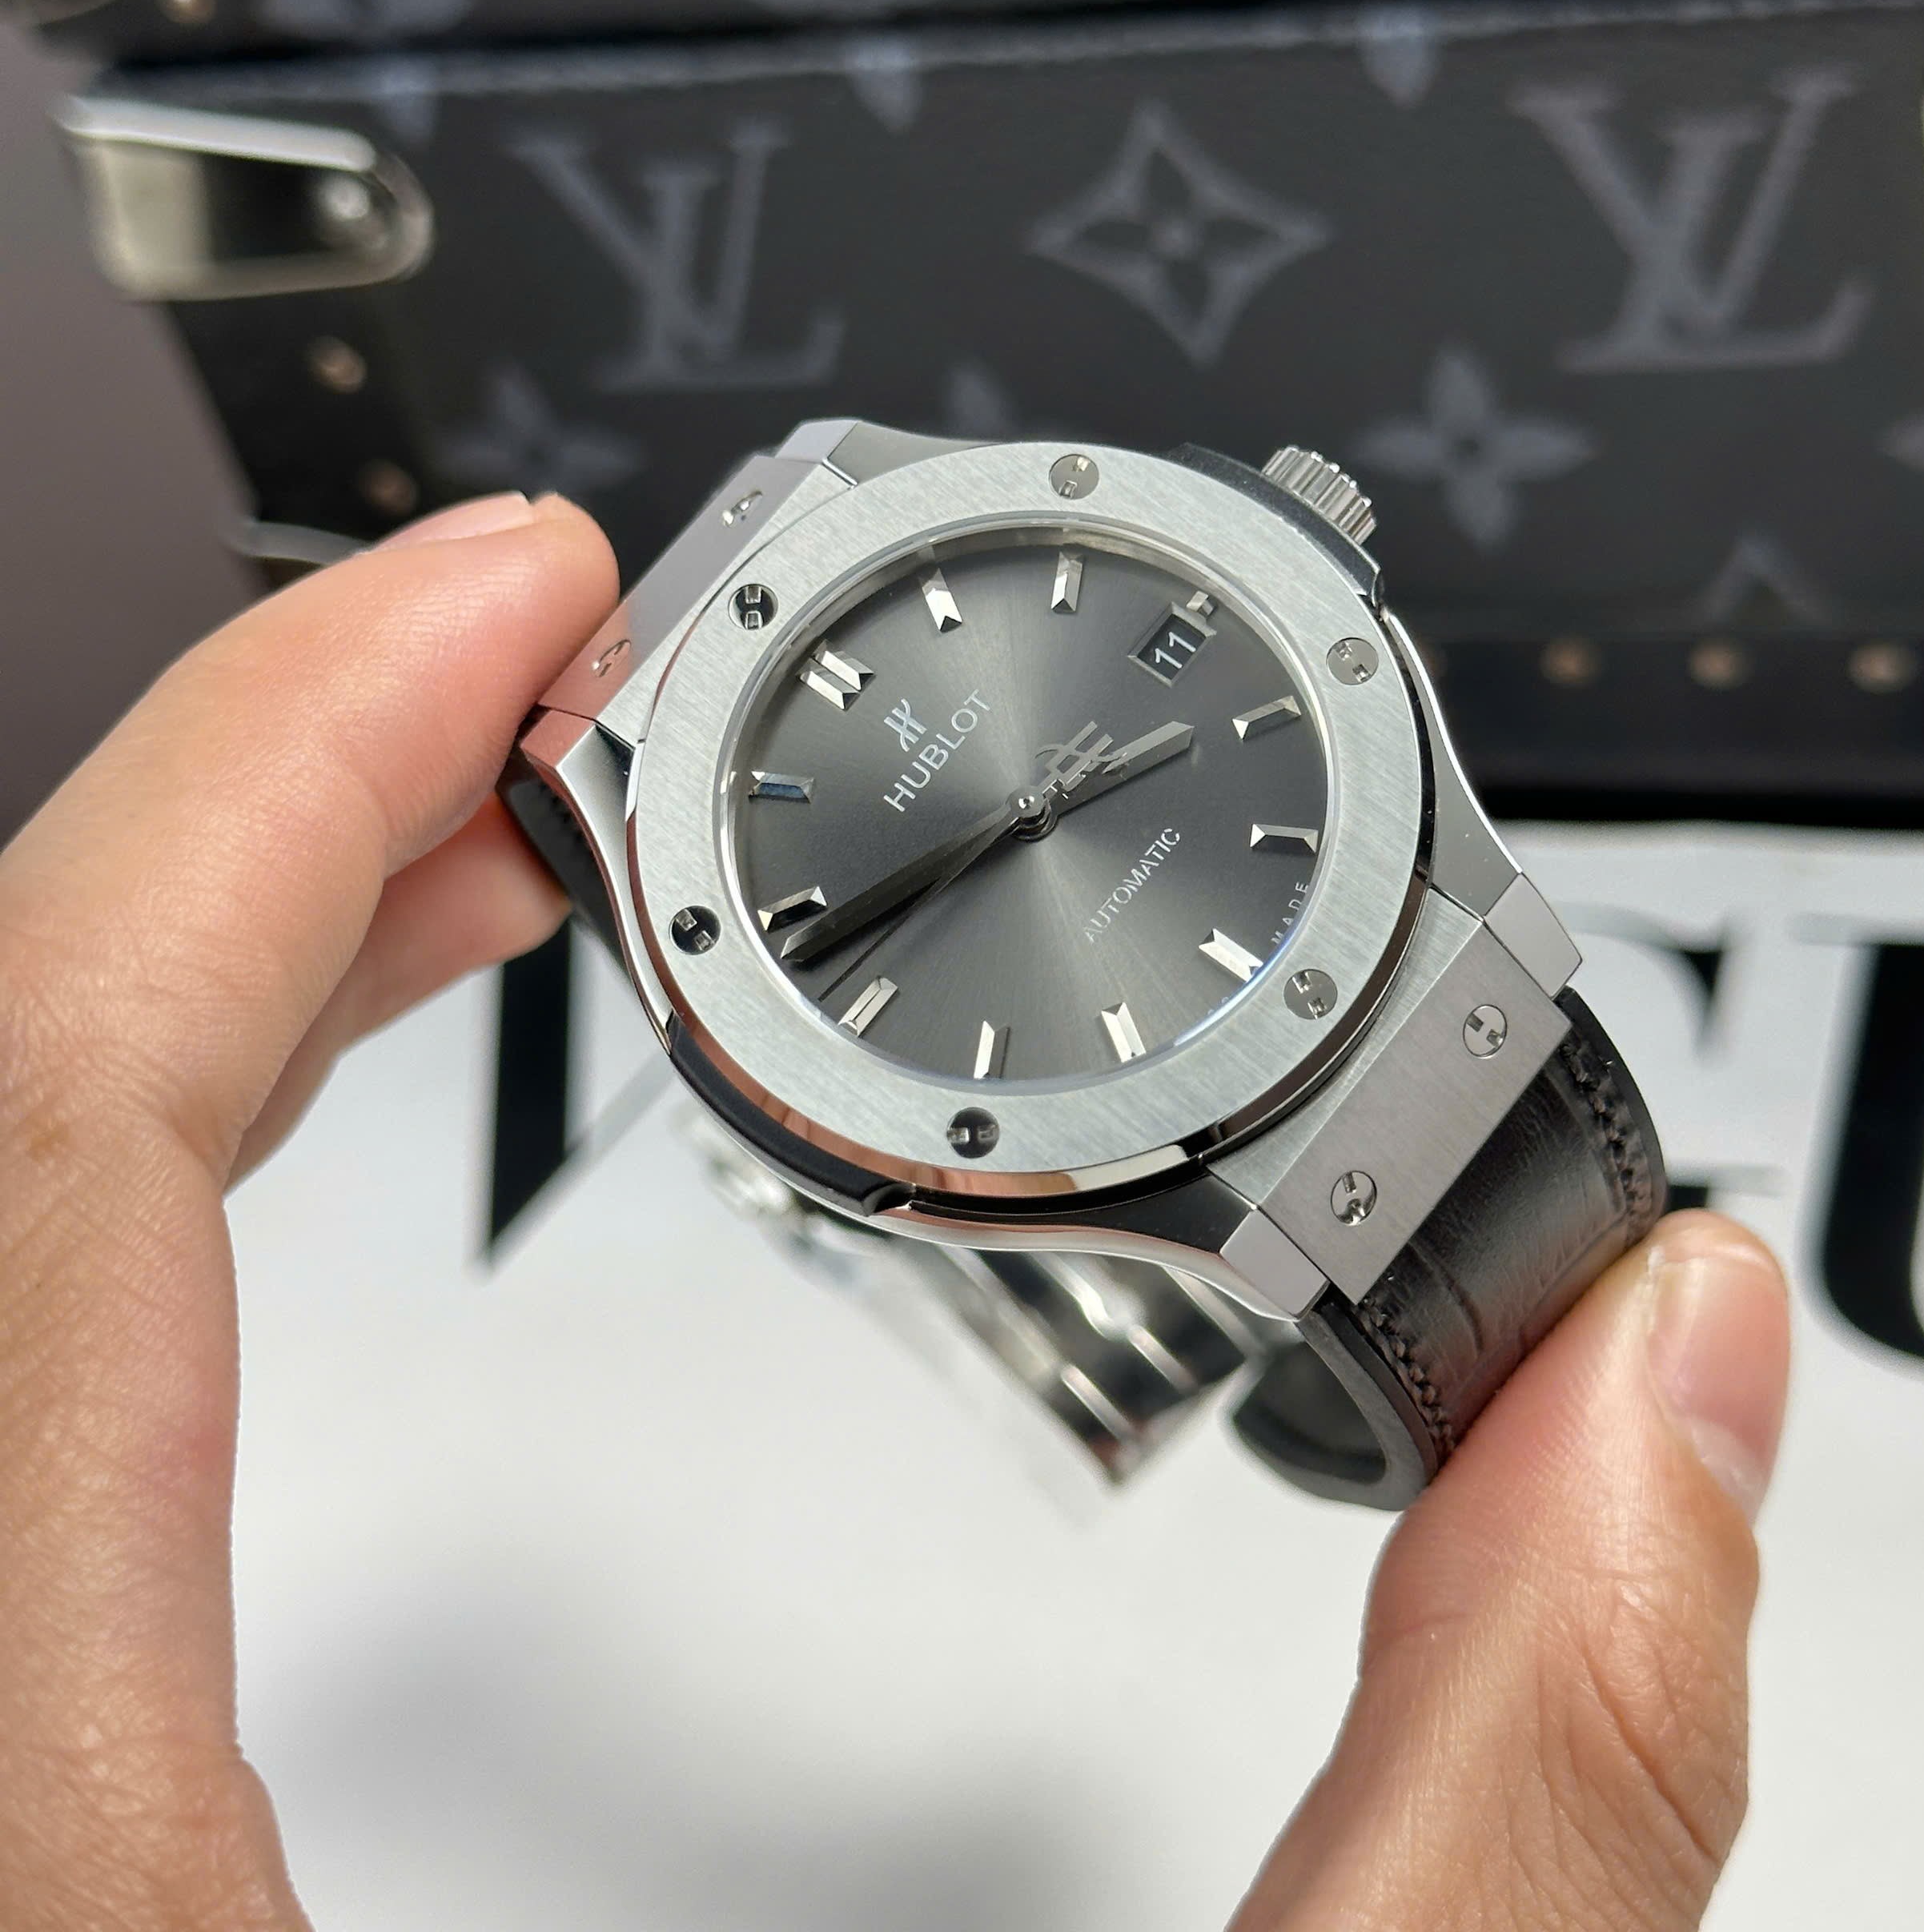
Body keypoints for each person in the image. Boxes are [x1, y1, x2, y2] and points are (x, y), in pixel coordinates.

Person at [0, 493, 1791, 1930]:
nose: (1025, 805)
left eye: (1033, 792)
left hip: (1360, 944)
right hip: (1208, 1167)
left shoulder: (902, 506)